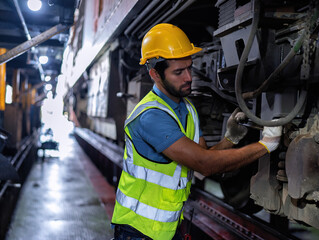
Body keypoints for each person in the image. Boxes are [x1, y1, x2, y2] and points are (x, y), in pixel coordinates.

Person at [111, 23, 282, 240]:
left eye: (189, 68)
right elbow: (205, 164)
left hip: (165, 229)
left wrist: (230, 138)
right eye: (178, 72)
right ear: (155, 74)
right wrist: (265, 145)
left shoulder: (187, 108)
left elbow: (202, 156)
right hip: (136, 230)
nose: (189, 77)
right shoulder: (151, 116)